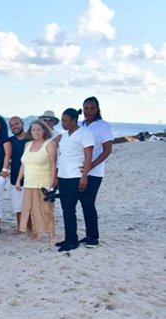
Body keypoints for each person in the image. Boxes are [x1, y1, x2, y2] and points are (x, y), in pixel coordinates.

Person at [55, 108, 94, 252]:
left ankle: (73, 241)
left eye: (65, 121)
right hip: (63, 175)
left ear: (74, 120)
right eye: (62, 120)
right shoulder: (65, 136)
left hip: (75, 175)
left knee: (70, 209)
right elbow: (62, 155)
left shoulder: (85, 133)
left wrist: (84, 177)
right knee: (66, 209)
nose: (63, 123)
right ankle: (69, 237)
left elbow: (88, 156)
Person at [77, 96, 113, 248]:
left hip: (95, 171)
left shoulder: (103, 126)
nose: (88, 111)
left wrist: (91, 165)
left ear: (97, 109)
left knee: (88, 201)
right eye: (86, 108)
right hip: (77, 170)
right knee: (82, 202)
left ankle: (93, 237)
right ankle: (88, 235)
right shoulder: (79, 124)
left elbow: (107, 150)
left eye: (92, 108)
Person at [15, 120, 57, 242]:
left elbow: (53, 165)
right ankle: (36, 232)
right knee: (32, 210)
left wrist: (51, 184)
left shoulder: (50, 144)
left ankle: (52, 233)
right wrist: (19, 180)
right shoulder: (27, 144)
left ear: (44, 130)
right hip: (29, 182)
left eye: (39, 129)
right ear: (30, 131)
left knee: (46, 209)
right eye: (33, 129)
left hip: (43, 182)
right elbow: (23, 165)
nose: (36, 132)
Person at [7, 116, 29, 228]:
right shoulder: (10, 140)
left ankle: (30, 227)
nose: (14, 127)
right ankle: (21, 228)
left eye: (16, 124)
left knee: (30, 206)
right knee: (18, 206)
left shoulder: (31, 139)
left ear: (22, 123)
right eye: (11, 125)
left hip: (31, 178)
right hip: (15, 178)